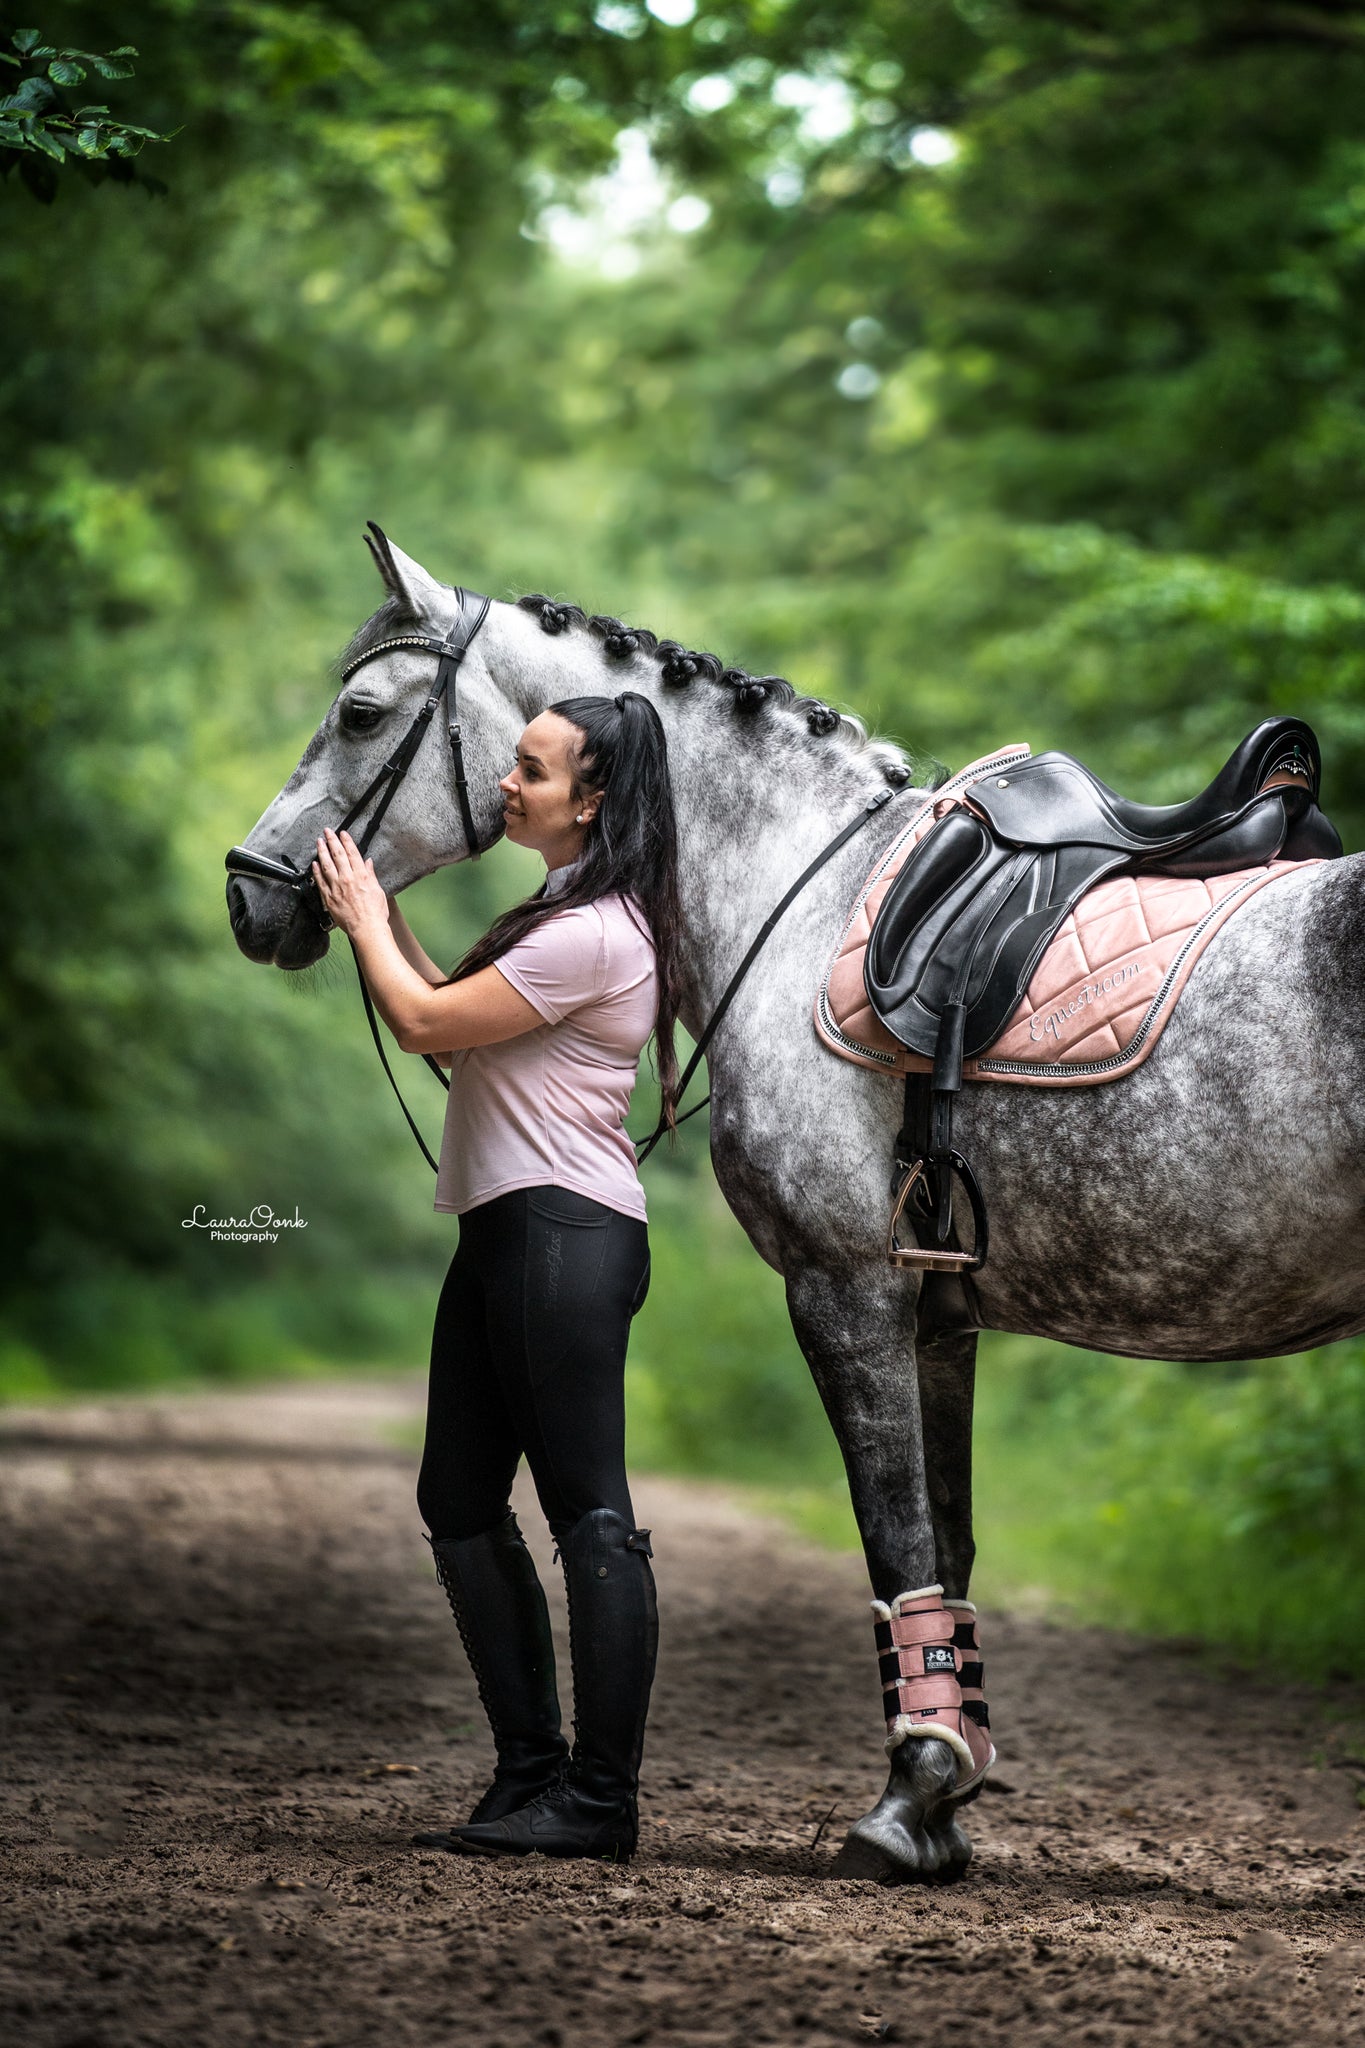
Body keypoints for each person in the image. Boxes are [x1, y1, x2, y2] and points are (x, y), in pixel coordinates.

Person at [310, 690, 683, 1863]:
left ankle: (599, 1799)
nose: (508, 784)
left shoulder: (597, 931)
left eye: (531, 767)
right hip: (508, 1230)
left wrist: (368, 915)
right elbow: (457, 1023)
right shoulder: (559, 913)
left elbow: (421, 1025)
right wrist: (385, 918)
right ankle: (531, 1770)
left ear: (596, 795)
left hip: (562, 1235)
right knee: (459, 1499)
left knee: (593, 1516)